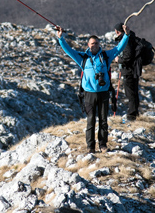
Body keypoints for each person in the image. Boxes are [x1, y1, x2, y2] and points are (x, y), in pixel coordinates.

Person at [55, 24, 130, 153]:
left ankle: (103, 145)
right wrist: (61, 38)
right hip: (89, 94)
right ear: (88, 45)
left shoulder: (106, 56)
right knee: (90, 121)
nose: (93, 45)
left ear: (99, 44)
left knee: (103, 121)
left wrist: (126, 35)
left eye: (95, 43)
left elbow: (119, 48)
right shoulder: (83, 58)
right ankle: (90, 147)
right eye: (91, 43)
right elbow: (69, 51)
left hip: (103, 93)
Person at [113, 22, 140, 121]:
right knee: (133, 92)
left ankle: (131, 115)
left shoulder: (127, 41)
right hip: (133, 70)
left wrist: (118, 60)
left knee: (130, 93)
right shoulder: (131, 38)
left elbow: (128, 56)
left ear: (117, 31)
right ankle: (134, 113)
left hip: (129, 71)